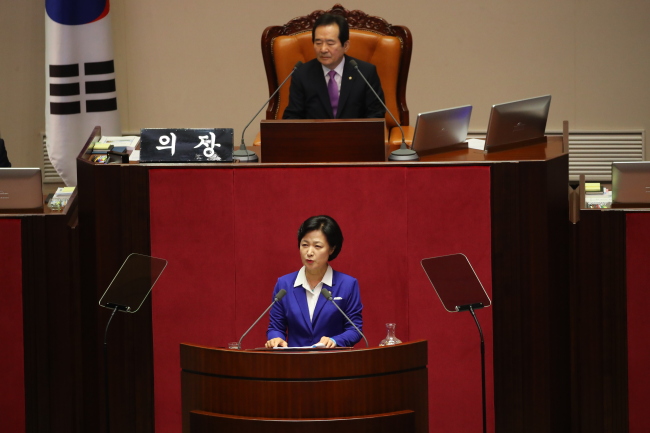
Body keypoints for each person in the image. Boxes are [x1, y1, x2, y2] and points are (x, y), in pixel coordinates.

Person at [266, 215, 363, 348]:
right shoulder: (284, 284)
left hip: (333, 362)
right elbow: (276, 326)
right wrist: (276, 338)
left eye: (317, 246)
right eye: (304, 245)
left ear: (331, 249)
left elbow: (355, 330)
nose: (309, 252)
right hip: (294, 362)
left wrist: (335, 340)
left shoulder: (347, 284)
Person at [282, 13, 386, 120]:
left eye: (330, 43)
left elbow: (376, 114)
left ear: (345, 46)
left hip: (355, 135)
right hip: (314, 135)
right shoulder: (302, 74)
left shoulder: (365, 72)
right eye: (318, 43)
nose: (323, 49)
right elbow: (292, 116)